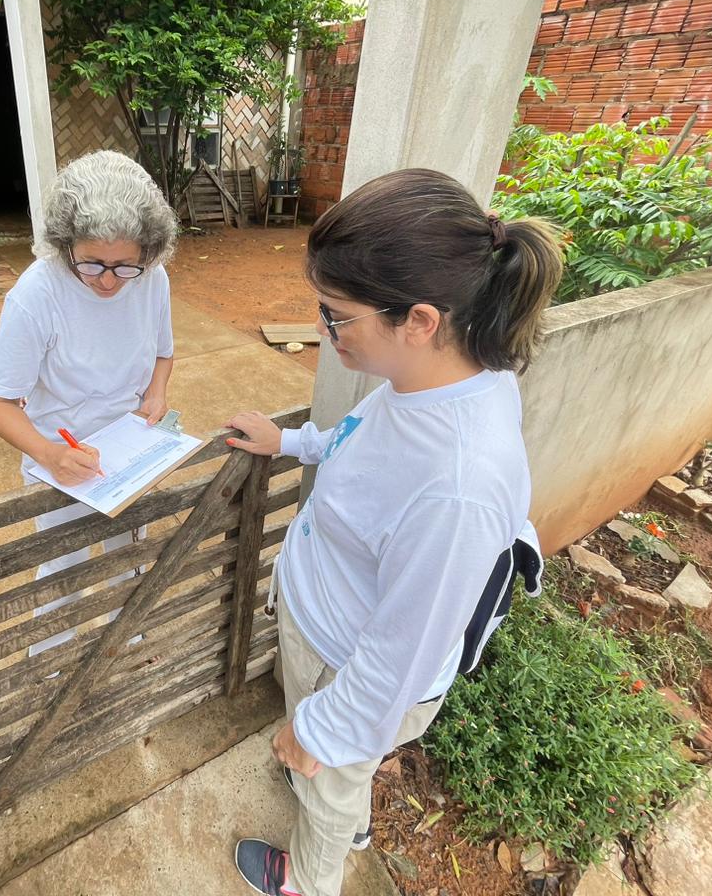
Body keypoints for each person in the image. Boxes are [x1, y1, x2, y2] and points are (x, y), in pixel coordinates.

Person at [225, 169, 563, 896]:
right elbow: (362, 446)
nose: (324, 330)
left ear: (418, 320)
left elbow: (404, 652)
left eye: (336, 315)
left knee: (323, 788)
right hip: (333, 639)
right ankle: (349, 815)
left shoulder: (461, 483)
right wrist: (292, 445)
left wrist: (319, 731)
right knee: (336, 780)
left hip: (347, 670)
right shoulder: (439, 380)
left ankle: (305, 880)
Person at [0, 150, 179, 661]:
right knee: (62, 563)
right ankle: (50, 659)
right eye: (90, 263)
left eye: (124, 265)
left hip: (128, 450)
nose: (108, 280)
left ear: (150, 251)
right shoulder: (37, 294)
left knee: (128, 552)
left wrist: (156, 394)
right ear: (64, 243)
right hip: (59, 454)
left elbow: (163, 351)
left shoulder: (152, 278)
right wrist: (48, 455)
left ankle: (124, 641)